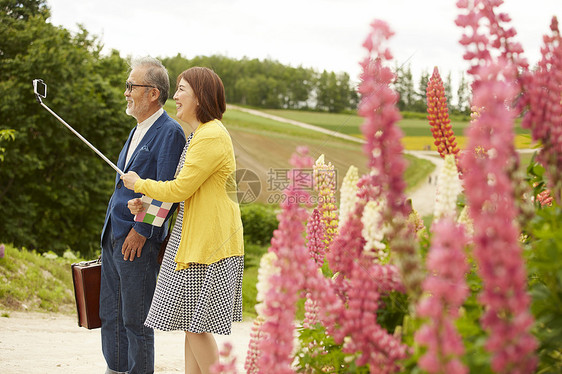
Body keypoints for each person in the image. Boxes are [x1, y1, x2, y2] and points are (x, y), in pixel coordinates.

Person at [121, 67, 244, 374]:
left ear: (200, 97)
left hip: (210, 244)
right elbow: (184, 191)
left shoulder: (211, 136)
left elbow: (179, 189)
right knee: (192, 326)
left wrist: (139, 184)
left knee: (196, 327)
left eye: (181, 90)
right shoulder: (201, 134)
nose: (174, 96)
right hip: (196, 240)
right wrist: (145, 204)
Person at [100, 57, 186, 374]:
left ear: (152, 93)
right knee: (111, 314)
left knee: (135, 320)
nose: (126, 92)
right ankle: (116, 369)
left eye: (130, 86)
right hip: (113, 234)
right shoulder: (137, 128)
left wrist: (142, 230)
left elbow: (168, 191)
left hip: (137, 240)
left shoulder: (169, 133)